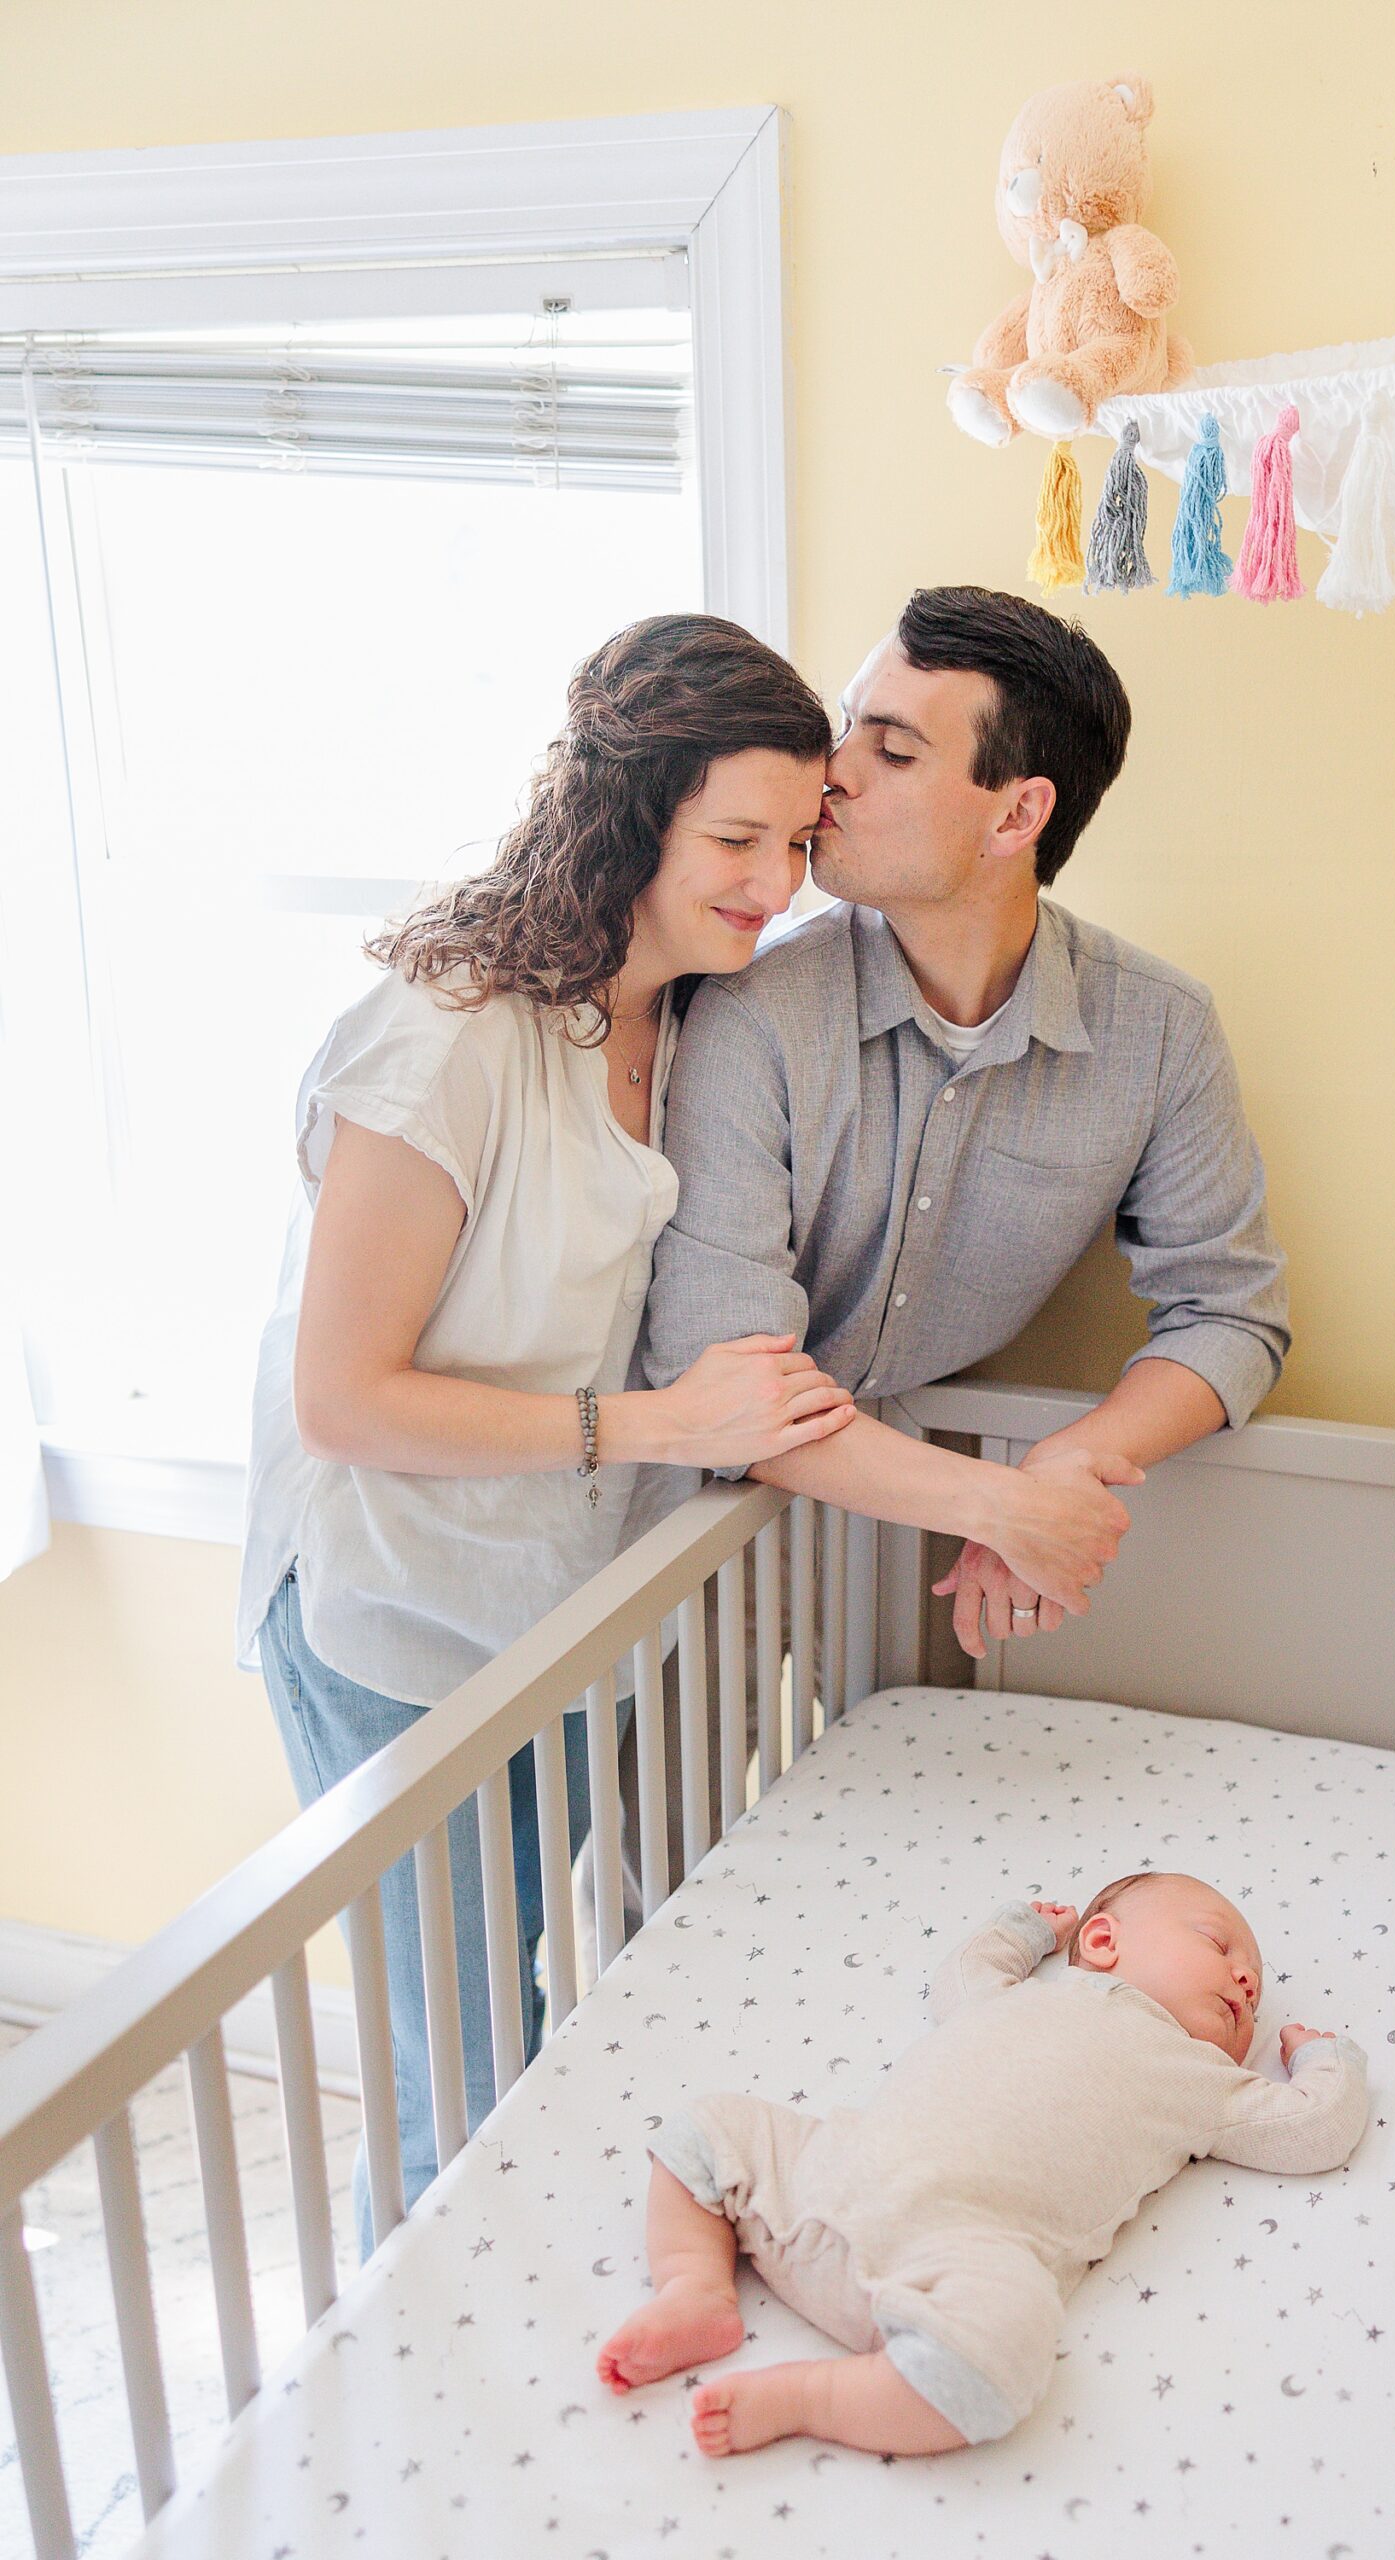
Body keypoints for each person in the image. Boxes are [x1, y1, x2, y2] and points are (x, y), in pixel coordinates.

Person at [237, 614, 863, 2253]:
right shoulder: (444, 1036)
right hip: (393, 1606)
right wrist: (663, 1422)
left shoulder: (695, 1023)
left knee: (527, 2015)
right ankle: (412, 2421)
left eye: (798, 842)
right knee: (467, 2069)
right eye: (735, 839)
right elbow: (346, 1398)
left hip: (554, 1608)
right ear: (622, 812)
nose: (773, 881)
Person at [642, 585, 1291, 1658]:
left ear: (1017, 815)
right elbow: (726, 1368)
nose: (832, 772)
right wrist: (998, 1506)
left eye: (891, 751)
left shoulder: (1159, 1030)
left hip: (906, 1526)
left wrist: (1067, 1465)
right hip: (687, 1516)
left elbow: (1231, 1312)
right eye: (847, 725)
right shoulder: (749, 1014)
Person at [596, 1870, 1367, 2456]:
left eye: (1255, 1993)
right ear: (1101, 1941)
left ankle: (813, 2398)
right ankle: (695, 2288)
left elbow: (1312, 2131)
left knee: (1008, 2351)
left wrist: (1325, 2060)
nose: (1245, 1980)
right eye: (1219, 1944)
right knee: (709, 2127)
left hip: (960, 2256)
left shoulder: (1204, 2081)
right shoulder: (1013, 1995)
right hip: (832, 2172)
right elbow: (961, 1973)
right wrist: (1025, 1927)